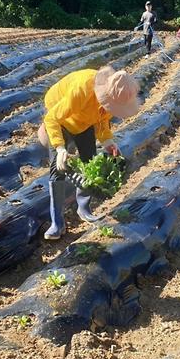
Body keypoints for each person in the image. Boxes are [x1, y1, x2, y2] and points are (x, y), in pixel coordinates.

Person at [38, 66, 140, 240]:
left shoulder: (109, 100)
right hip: (60, 120)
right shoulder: (82, 90)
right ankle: (57, 222)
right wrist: (60, 148)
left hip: (84, 123)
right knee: (58, 168)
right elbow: (52, 118)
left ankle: (83, 208)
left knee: (90, 163)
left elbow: (101, 122)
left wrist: (108, 142)